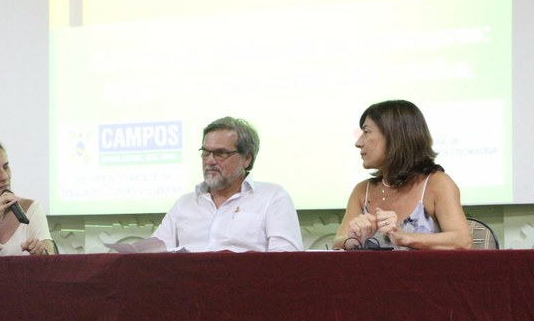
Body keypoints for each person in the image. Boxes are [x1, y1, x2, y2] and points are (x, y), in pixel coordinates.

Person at [333, 100, 472, 250]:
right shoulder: (362, 190)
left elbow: (462, 241)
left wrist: (404, 237)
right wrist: (354, 238)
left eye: (366, 132)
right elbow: (337, 245)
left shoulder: (437, 183)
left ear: (395, 136)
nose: (359, 143)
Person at [152, 116, 303, 252]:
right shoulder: (185, 204)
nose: (210, 161)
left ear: (247, 159)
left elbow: (286, 260)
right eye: (205, 152)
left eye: (221, 153)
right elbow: (153, 253)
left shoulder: (272, 197)